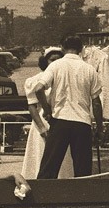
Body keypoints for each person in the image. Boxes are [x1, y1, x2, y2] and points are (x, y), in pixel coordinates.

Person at [33, 36, 103, 178]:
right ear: (81, 49)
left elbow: (38, 89)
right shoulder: (89, 69)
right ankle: (81, 193)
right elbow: (96, 102)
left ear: (62, 48)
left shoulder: (55, 66)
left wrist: (47, 110)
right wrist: (100, 127)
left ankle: (43, 192)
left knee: (48, 169)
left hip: (60, 120)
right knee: (83, 172)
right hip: (82, 123)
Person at [21, 48, 73, 180]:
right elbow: (32, 106)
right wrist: (42, 128)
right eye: (52, 60)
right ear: (45, 61)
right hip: (43, 122)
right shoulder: (35, 80)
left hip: (62, 120)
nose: (55, 63)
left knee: (63, 156)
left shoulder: (66, 79)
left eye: (59, 60)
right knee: (42, 154)